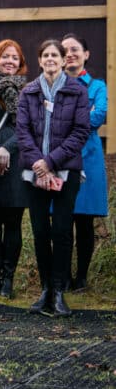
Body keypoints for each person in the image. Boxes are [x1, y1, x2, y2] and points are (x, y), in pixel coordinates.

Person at [16, 39, 89, 317]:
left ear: (63, 60)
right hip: (33, 171)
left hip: (65, 169)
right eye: (45, 55)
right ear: (40, 60)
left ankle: (59, 290)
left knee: (61, 230)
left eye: (54, 55)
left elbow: (80, 132)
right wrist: (38, 163)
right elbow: (22, 131)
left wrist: (50, 161)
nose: (50, 59)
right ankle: (45, 289)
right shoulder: (29, 92)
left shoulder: (77, 92)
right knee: (39, 231)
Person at [0, 39, 29, 298]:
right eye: (5, 57)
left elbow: (29, 128)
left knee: (13, 223)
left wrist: (6, 150)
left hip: (16, 162)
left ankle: (8, 279)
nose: (9, 61)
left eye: (14, 57)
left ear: (20, 62)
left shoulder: (29, 91)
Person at [62, 33, 108, 291]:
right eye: (65, 50)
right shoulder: (54, 84)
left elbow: (99, 114)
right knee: (62, 220)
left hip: (89, 158)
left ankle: (81, 277)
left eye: (75, 49)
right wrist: (82, 115)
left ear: (86, 54)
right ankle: (64, 276)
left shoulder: (98, 86)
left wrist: (68, 118)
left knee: (85, 221)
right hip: (60, 158)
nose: (70, 53)